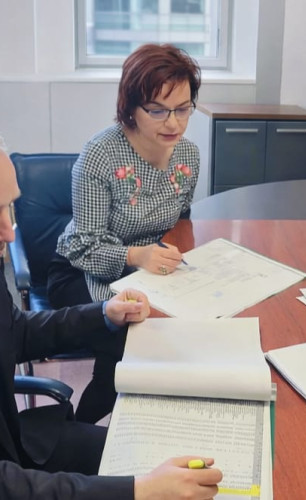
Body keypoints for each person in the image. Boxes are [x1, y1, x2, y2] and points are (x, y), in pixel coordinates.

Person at [0, 147, 222, 499]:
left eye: (8, 209)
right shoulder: (101, 154)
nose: (9, 234)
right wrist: (138, 491)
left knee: (155, 457)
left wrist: (104, 313)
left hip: (18, 441)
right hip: (13, 479)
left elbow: (17, 332)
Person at [46, 43, 202, 423]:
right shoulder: (100, 155)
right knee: (125, 345)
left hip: (146, 269)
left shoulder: (188, 156)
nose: (173, 124)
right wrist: (136, 255)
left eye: (183, 109)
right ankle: (80, 433)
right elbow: (83, 245)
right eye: (158, 110)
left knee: (182, 331)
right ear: (131, 106)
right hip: (80, 269)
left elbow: (179, 224)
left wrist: (165, 256)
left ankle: (152, 424)